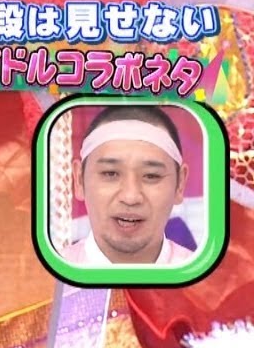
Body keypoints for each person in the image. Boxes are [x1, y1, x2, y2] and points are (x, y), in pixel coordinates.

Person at [60, 105, 196, 266]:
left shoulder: (208, 278)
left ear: (180, 184)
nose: (130, 197)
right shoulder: (43, 276)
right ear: (79, 180)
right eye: (110, 173)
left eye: (151, 175)